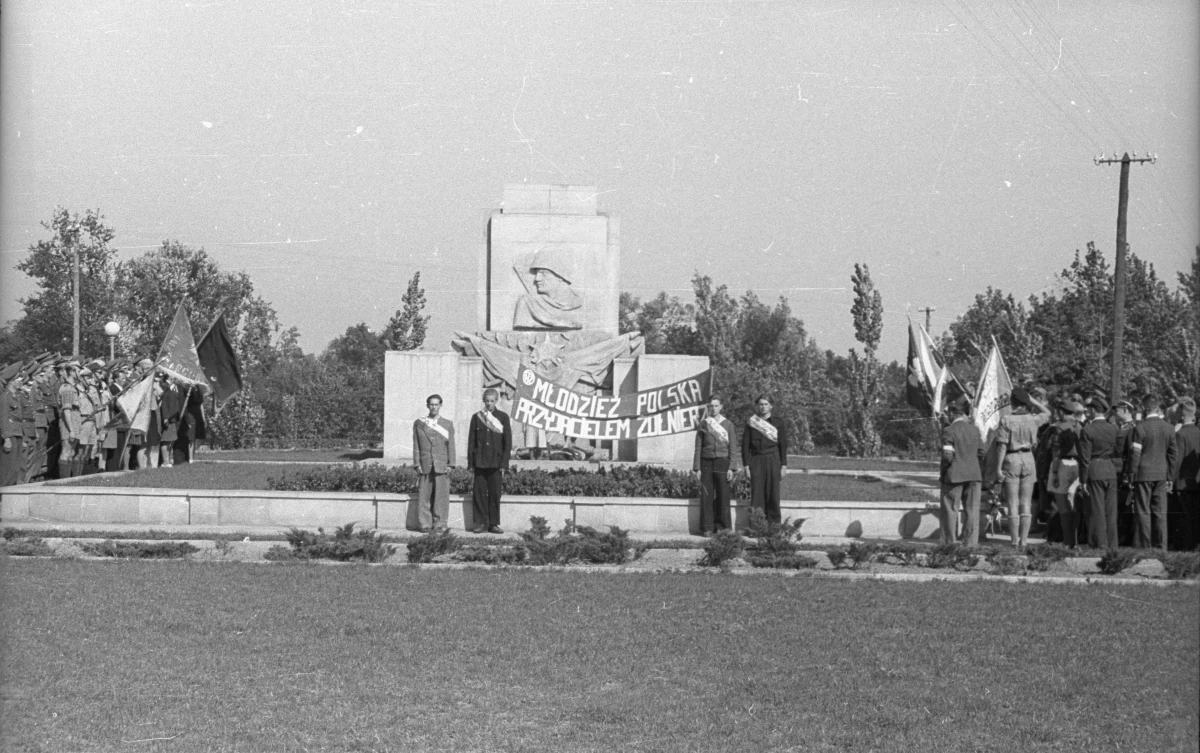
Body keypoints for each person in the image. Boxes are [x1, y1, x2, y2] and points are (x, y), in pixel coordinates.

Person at [992, 386, 1050, 550]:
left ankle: (1014, 541)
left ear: (1011, 402)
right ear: (1025, 402)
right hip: (1029, 458)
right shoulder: (1033, 419)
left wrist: (998, 468)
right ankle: (1024, 541)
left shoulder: (1006, 420)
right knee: (1026, 502)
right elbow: (1048, 413)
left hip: (1012, 458)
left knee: (1012, 502)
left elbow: (1001, 447)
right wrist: (1032, 400)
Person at [1128, 394, 1178, 551]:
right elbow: (1173, 455)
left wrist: (1131, 474)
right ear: (1158, 407)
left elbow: (1135, 454)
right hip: (1162, 474)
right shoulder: (1169, 428)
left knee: (1143, 510)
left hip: (1143, 474)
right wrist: (1170, 476)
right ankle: (1160, 546)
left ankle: (1143, 546)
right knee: (1160, 511)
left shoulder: (1139, 428)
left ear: (1143, 408)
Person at [466, 388, 512, 534]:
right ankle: (480, 523)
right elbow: (471, 441)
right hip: (480, 461)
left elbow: (507, 442)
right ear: (483, 401)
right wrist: (471, 462)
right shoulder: (477, 417)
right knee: (479, 493)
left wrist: (504, 463)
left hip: (496, 462)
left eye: (492, 401)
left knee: (494, 493)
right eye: (487, 401)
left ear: (496, 401)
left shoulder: (503, 417)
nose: (489, 404)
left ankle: (493, 523)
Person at [939, 396, 983, 545]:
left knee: (950, 509)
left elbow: (947, 454)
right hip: (974, 474)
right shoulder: (975, 430)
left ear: (951, 414)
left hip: (954, 474)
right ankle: (970, 542)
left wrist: (945, 471)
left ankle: (949, 542)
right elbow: (982, 452)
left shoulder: (949, 430)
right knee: (972, 510)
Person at [693, 396, 739, 536]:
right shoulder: (703, 424)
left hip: (722, 462)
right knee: (706, 495)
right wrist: (697, 467)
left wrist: (732, 467)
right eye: (710, 406)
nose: (713, 408)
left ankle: (723, 527)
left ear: (721, 407)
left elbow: (733, 447)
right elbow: (698, 447)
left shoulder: (728, 424)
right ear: (708, 408)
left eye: (716, 406)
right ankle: (707, 528)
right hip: (706, 461)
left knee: (723, 495)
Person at [1078, 395, 1120, 550]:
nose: (1086, 411)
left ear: (1094, 410)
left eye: (1088, 409)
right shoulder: (1114, 428)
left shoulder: (1088, 430)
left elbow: (1084, 458)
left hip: (1095, 470)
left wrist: (1082, 480)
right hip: (1110, 469)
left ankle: (1100, 544)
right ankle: (1112, 545)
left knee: (1097, 510)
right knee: (1111, 511)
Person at [410, 394, 456, 533]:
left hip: (442, 464)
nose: (434, 407)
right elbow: (416, 444)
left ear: (440, 405)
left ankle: (440, 523)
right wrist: (417, 463)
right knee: (424, 496)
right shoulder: (419, 423)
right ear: (427, 405)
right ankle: (425, 524)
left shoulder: (447, 424)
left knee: (441, 497)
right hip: (425, 464)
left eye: (436, 404)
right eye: (431, 404)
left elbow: (451, 446)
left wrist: (451, 464)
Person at [741, 395, 788, 525]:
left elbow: (783, 445)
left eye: (766, 404)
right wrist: (746, 466)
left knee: (773, 493)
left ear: (771, 406)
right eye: (761, 404)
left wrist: (783, 466)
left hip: (773, 459)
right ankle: (757, 526)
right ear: (757, 406)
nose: (763, 407)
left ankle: (774, 526)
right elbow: (745, 445)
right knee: (757, 493)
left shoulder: (778, 422)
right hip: (756, 459)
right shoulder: (752, 422)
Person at [512, 248, 584, 330]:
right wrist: (554, 322)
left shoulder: (578, 303)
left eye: (544, 273)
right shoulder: (527, 302)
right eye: (536, 273)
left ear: (560, 276)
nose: (537, 279)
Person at [1049, 400, 1086, 548]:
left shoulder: (1060, 428)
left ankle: (1068, 541)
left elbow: (1056, 452)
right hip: (1077, 464)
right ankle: (1076, 541)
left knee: (1063, 507)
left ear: (1062, 412)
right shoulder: (1080, 426)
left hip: (1063, 465)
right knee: (1075, 504)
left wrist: (1055, 472)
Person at [1171, 397, 1200, 550]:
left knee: (1184, 516)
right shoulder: (1198, 432)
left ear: (1182, 415)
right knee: (1195, 516)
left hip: (1182, 483)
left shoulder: (1181, 434)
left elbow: (1177, 460)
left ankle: (1186, 546)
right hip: (1196, 481)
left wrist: (1170, 479)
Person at [1112, 399, 1137, 546]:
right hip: (1115, 471)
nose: (1115, 412)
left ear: (1127, 410)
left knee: (1124, 506)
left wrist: (1128, 475)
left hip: (1123, 472)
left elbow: (1131, 454)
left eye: (1118, 410)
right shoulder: (1119, 428)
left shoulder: (1131, 429)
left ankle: (1124, 537)